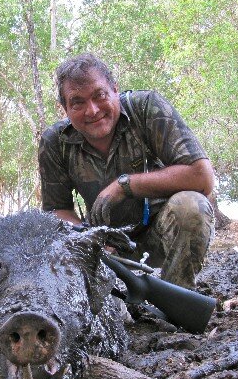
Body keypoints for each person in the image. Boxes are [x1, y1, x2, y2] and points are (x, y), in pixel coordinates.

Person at [38, 53, 215, 289]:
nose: (92, 110)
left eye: (99, 95)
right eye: (77, 102)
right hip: (104, 249)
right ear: (65, 109)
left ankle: (177, 295)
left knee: (192, 206)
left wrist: (125, 185)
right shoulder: (54, 142)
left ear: (115, 90)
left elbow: (202, 176)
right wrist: (89, 239)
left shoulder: (147, 107)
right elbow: (56, 211)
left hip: (162, 232)